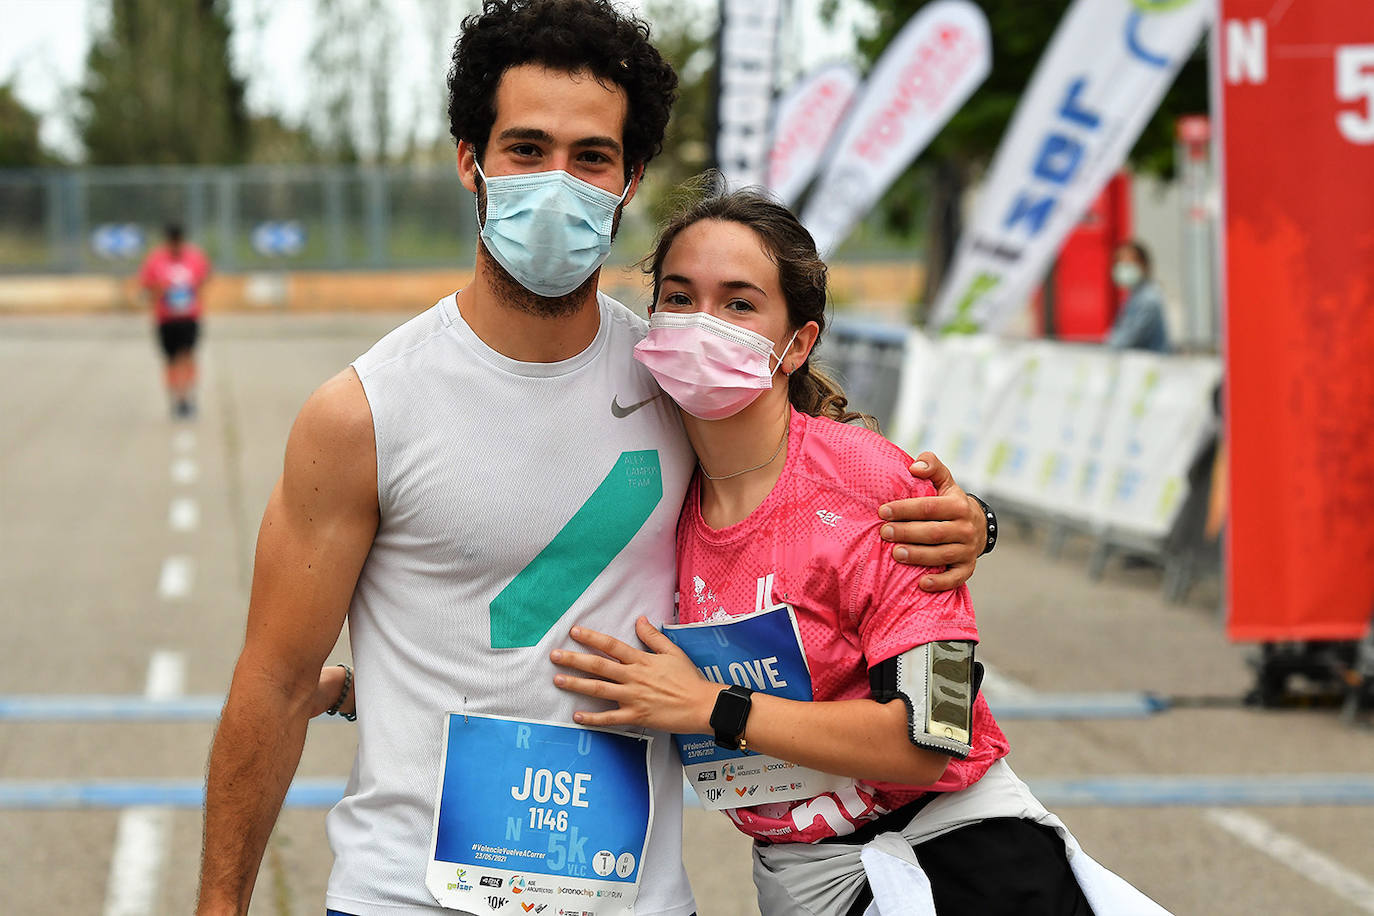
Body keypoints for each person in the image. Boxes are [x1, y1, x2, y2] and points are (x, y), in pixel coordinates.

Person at [197, 3, 992, 914]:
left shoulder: (681, 382)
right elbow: (274, 680)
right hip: (405, 895)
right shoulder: (363, 413)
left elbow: (826, 476)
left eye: (591, 158)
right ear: (471, 161)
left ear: (631, 178)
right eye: (526, 150)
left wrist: (970, 522)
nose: (557, 182)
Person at [551, 190, 1170, 915]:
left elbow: (932, 734)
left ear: (800, 342)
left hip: (961, 860)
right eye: (679, 297)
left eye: (740, 304)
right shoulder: (652, 483)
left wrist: (713, 707)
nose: (701, 325)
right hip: (804, 882)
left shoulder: (877, 484)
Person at [138, 222, 212, 418]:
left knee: (188, 356)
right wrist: (159, 290)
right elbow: (145, 288)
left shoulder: (194, 257)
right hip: (166, 318)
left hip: (188, 317)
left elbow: (204, 278)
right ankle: (176, 399)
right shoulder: (155, 260)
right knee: (170, 360)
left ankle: (188, 397)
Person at [1106, 239, 1170, 352]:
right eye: (1120, 263)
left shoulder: (1148, 299)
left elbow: (1127, 339)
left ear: (1144, 265)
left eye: (1128, 263)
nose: (1123, 268)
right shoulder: (1135, 297)